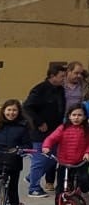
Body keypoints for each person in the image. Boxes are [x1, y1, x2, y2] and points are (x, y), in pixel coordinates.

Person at [23, 62, 67, 197]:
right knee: (40, 159)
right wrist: (39, 122)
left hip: (55, 130)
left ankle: (32, 177)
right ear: (52, 76)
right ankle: (34, 188)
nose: (63, 79)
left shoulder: (60, 90)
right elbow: (27, 107)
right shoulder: (40, 89)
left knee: (54, 158)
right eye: (61, 76)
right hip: (39, 132)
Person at [42, 105, 89, 196]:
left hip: (81, 162)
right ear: (69, 116)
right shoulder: (63, 128)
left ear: (84, 117)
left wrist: (87, 153)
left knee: (84, 181)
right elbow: (51, 138)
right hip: (64, 162)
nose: (76, 117)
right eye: (74, 115)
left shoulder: (86, 130)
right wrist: (47, 146)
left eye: (79, 115)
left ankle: (84, 200)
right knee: (61, 187)